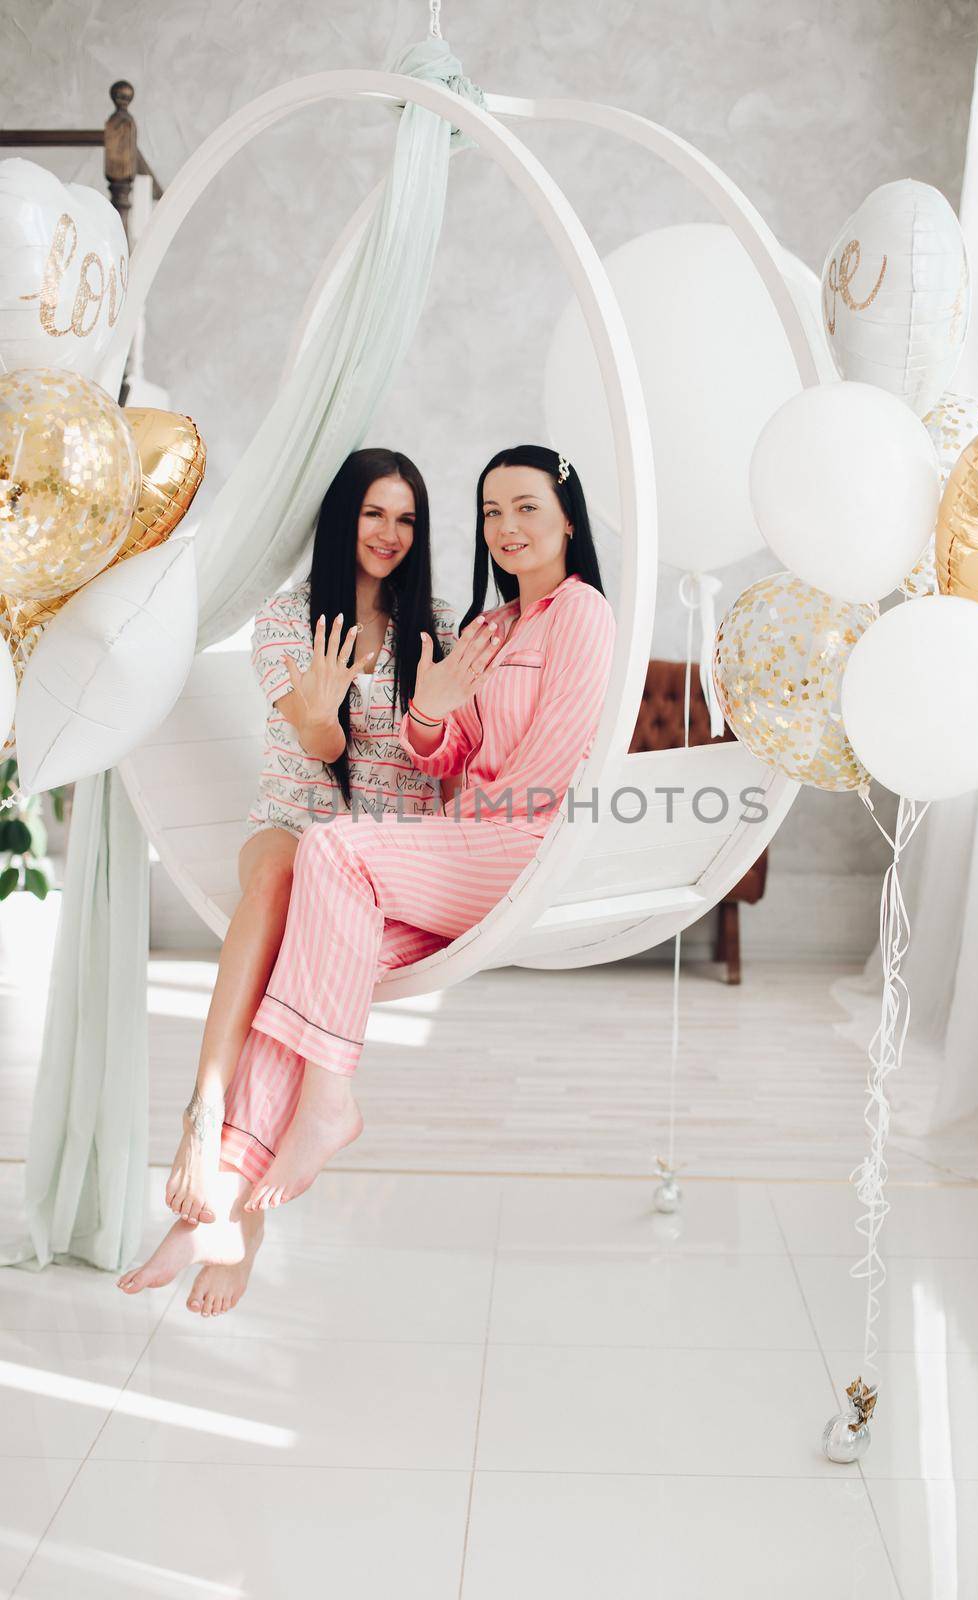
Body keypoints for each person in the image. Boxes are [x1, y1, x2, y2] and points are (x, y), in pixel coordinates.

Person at [117, 445, 616, 1317]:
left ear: (567, 518)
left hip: (511, 846)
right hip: (435, 857)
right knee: (301, 966)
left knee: (335, 851)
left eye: (526, 508)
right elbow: (449, 748)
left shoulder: (580, 615)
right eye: (492, 511)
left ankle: (329, 1099)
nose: (506, 528)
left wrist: (462, 816)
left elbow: (537, 769)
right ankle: (225, 1206)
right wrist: (423, 710)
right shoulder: (488, 629)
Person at [148, 447, 457, 1250]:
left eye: (405, 518)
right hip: (291, 827)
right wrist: (325, 707)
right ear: (342, 517)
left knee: (305, 940)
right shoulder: (289, 620)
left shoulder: (439, 629)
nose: (389, 533)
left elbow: (449, 758)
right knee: (288, 870)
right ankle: (208, 1102)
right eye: (373, 513)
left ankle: (236, 1215)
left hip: (390, 861)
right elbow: (317, 739)